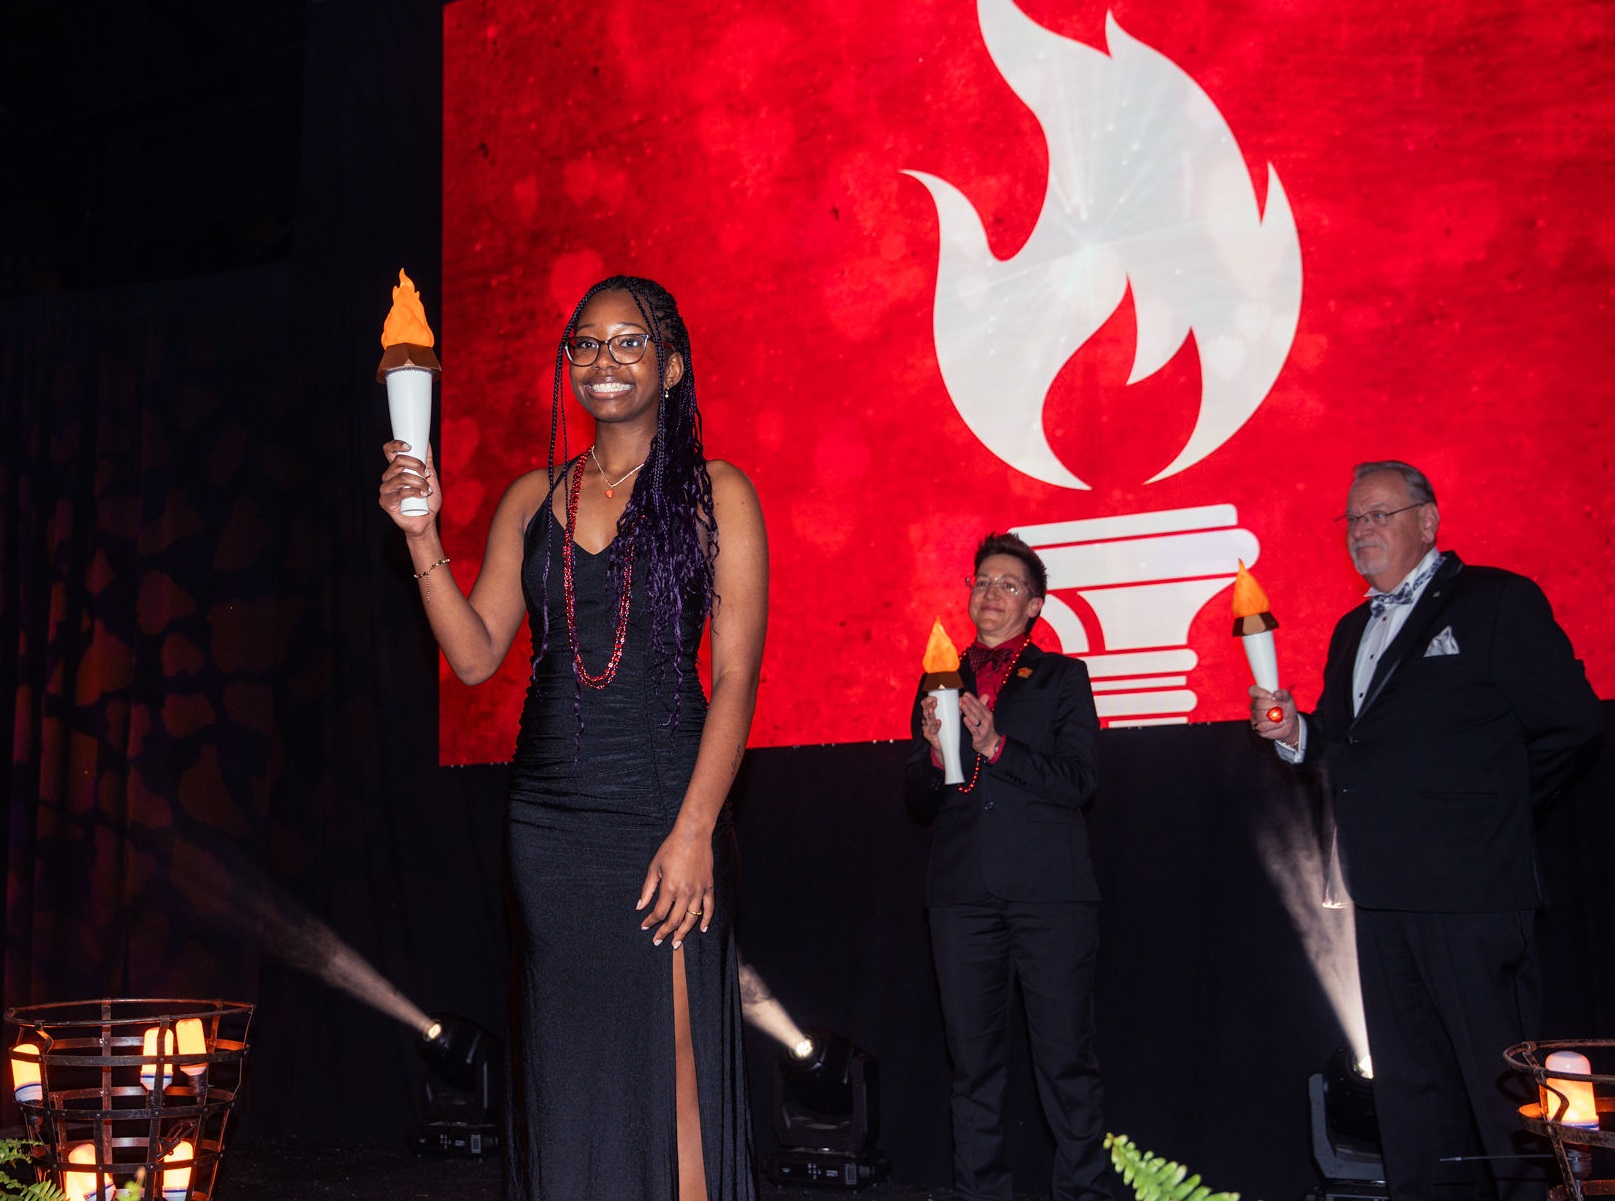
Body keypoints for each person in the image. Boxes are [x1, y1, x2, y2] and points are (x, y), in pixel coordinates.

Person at [379, 275, 767, 1200]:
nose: (604, 360)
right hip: (549, 823)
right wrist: (420, 533)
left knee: (673, 1069)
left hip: (665, 807)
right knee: (570, 1067)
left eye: (629, 342)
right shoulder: (530, 497)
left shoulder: (717, 492)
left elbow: (736, 676)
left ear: (672, 366)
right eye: (586, 343)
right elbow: (475, 655)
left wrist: (694, 831)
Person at [1249, 460, 1602, 1201]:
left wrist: (1492, 812)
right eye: (1352, 519)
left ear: (1428, 521)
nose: (1361, 530)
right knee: (1410, 1094)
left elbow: (1572, 722)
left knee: (1502, 1086)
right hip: (1380, 893)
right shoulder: (1353, 627)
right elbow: (1343, 744)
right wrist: (1292, 731)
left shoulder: (1494, 600)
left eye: (1379, 514)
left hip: (1472, 891)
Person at [906, 532, 1109, 1201]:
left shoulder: (1062, 677)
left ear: (1035, 605)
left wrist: (996, 745)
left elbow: (1079, 780)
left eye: (1008, 584)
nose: (990, 593)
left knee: (1065, 1062)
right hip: (961, 895)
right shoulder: (939, 676)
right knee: (972, 1069)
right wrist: (937, 758)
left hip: (1050, 895)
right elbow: (916, 799)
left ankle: (1083, 1193)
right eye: (982, 581)